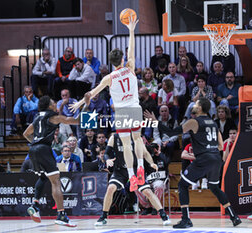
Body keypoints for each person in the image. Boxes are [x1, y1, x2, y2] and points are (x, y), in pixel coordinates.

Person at [70, 17, 146, 192]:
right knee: (138, 139)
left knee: (126, 145)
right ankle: (140, 166)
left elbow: (92, 93)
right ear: (122, 59)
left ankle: (132, 175)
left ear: (111, 62)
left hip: (121, 113)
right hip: (135, 108)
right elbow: (132, 49)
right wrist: (132, 30)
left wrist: (80, 103)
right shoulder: (130, 67)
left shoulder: (108, 77)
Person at [144, 97, 241, 228]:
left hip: (204, 158)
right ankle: (234, 216)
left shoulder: (194, 122)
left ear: (200, 107)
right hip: (216, 159)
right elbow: (219, 145)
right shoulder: (213, 123)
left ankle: (186, 219)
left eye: (196, 104)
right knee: (214, 188)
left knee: (182, 185)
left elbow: (172, 131)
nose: (194, 105)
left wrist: (155, 121)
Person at [22, 95, 89, 227]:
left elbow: (25, 134)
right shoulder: (53, 117)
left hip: (33, 150)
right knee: (56, 181)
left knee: (43, 177)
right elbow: (77, 120)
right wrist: (86, 105)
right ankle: (61, 215)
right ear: (49, 106)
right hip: (43, 149)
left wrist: (36, 143)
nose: (55, 104)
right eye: (53, 102)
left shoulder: (36, 118)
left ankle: (35, 205)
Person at [95, 134, 171, 226]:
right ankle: (103, 216)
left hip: (134, 170)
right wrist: (107, 160)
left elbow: (145, 153)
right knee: (110, 188)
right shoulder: (114, 137)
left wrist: (151, 163)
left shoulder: (136, 137)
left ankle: (163, 215)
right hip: (120, 170)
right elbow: (106, 153)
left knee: (147, 191)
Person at [138, 143, 171, 215]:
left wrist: (159, 152)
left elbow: (167, 162)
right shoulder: (147, 158)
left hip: (160, 180)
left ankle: (155, 207)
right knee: (136, 187)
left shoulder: (162, 157)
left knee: (159, 185)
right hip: (149, 181)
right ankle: (147, 207)